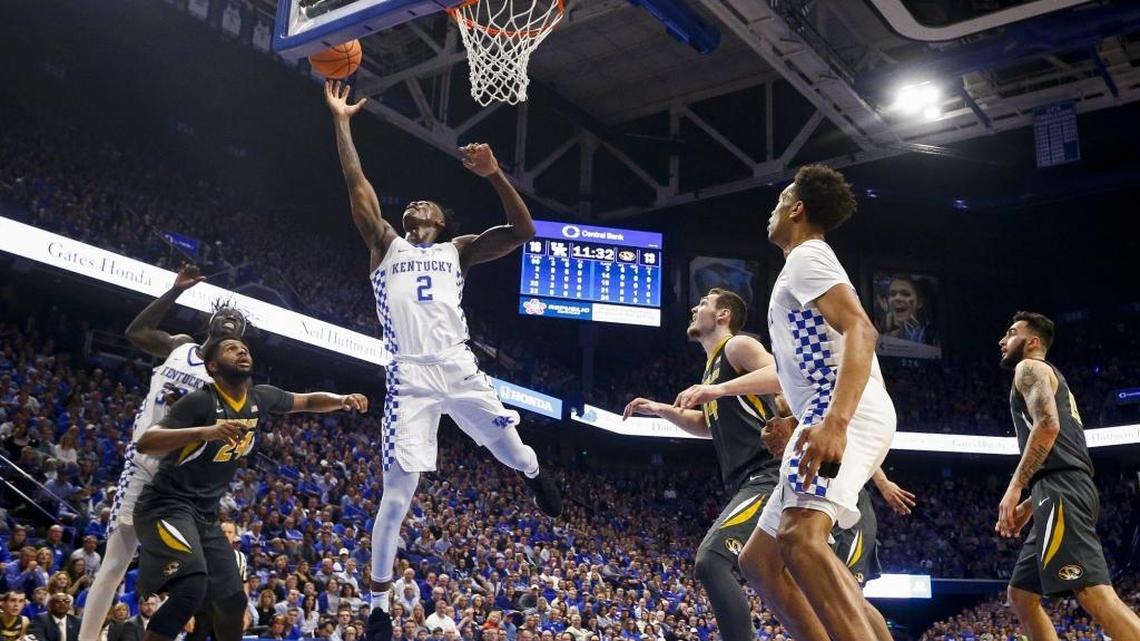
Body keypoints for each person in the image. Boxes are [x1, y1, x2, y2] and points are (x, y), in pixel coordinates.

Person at [322, 80, 561, 641]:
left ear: (443, 221)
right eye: (410, 203)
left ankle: (533, 474)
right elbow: (356, 183)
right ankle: (379, 607)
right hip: (409, 376)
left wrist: (495, 174)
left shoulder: (461, 249)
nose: (415, 204)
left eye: (425, 203)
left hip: (458, 366)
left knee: (513, 452)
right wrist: (342, 122)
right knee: (396, 496)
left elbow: (524, 231)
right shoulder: (385, 243)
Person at [691, 164, 895, 641]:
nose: (773, 210)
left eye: (780, 201)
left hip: (841, 404)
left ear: (797, 209)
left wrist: (835, 421)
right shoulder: (800, 267)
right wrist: (793, 417)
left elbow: (861, 330)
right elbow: (802, 362)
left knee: (801, 537)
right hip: (826, 406)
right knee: (759, 562)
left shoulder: (808, 257)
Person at [131, 335, 369, 641]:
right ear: (213, 366)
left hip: (204, 516)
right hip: (165, 507)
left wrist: (340, 399)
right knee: (191, 587)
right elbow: (146, 442)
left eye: (244, 348)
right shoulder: (201, 401)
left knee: (233, 599)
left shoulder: (260, 398)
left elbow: (308, 401)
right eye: (231, 349)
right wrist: (205, 431)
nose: (241, 351)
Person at [78, 265, 247, 641]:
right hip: (143, 465)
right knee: (114, 565)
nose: (231, 319)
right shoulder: (180, 346)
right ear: (211, 323)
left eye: (238, 321)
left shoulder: (229, 383)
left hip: (179, 482)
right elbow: (136, 333)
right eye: (226, 315)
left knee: (193, 580)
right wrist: (175, 291)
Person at [622, 288, 782, 641]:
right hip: (745, 480)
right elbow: (707, 425)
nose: (695, 307)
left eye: (704, 304)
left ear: (723, 315)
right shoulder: (711, 370)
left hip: (767, 474)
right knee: (771, 573)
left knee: (711, 561)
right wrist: (662, 409)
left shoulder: (737, 346)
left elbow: (781, 374)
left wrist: (717, 391)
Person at [996, 311, 1140, 640]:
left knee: (1092, 593)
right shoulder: (1049, 376)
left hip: (1062, 488)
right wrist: (1032, 502)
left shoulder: (1029, 367)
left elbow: (1048, 427)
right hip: (1057, 488)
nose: (1002, 340)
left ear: (1033, 341)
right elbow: (1061, 448)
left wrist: (1015, 488)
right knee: (1021, 596)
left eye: (1012, 333)